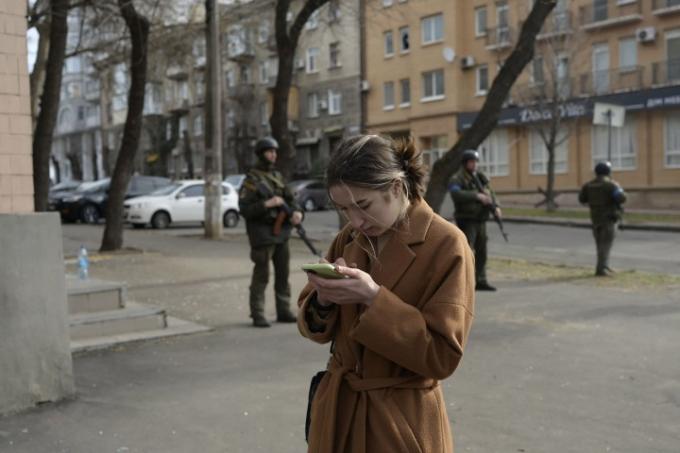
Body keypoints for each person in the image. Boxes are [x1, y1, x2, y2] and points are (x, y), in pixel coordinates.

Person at [298, 135, 475, 453]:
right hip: (338, 417)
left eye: (363, 206)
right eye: (344, 209)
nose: (356, 221)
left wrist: (373, 297)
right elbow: (315, 327)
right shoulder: (349, 238)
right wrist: (323, 298)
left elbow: (443, 355)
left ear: (396, 187)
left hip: (400, 423)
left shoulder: (446, 244)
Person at [239, 137, 303, 327]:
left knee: (283, 275)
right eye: (269, 151)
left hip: (281, 233)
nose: (273, 155)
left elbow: (291, 200)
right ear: (261, 154)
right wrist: (267, 204)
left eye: (275, 151)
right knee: (262, 275)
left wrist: (298, 212)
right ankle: (257, 313)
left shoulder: (278, 177)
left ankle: (283, 310)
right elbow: (245, 209)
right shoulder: (251, 181)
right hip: (262, 235)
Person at [448, 149, 500, 291]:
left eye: (476, 162)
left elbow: (490, 192)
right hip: (466, 219)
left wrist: (496, 206)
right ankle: (464, 281)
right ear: (465, 163)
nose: (474, 165)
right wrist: (476, 196)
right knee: (467, 251)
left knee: (482, 251)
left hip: (480, 219)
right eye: (471, 162)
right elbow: (455, 193)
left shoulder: (480, 177)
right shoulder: (458, 178)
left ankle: (480, 280)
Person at [579, 161, 626, 277]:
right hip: (609, 219)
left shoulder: (588, 185)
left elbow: (582, 199)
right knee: (606, 245)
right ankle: (601, 270)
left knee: (600, 244)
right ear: (608, 172)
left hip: (595, 219)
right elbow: (622, 198)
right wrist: (619, 188)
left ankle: (604, 265)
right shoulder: (611, 185)